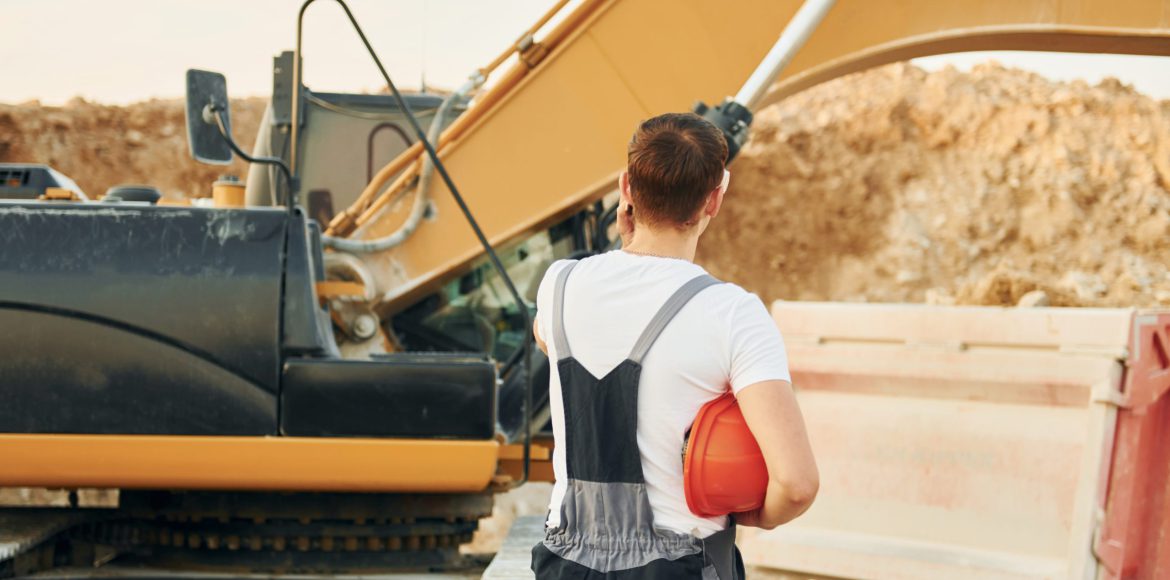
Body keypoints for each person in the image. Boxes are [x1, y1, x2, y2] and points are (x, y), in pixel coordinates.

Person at [529, 112, 819, 579]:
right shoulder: (732, 313)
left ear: (626, 187)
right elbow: (798, 484)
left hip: (566, 566)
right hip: (677, 567)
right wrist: (753, 514)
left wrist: (626, 249)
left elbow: (550, 340)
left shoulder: (559, 284)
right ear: (714, 199)